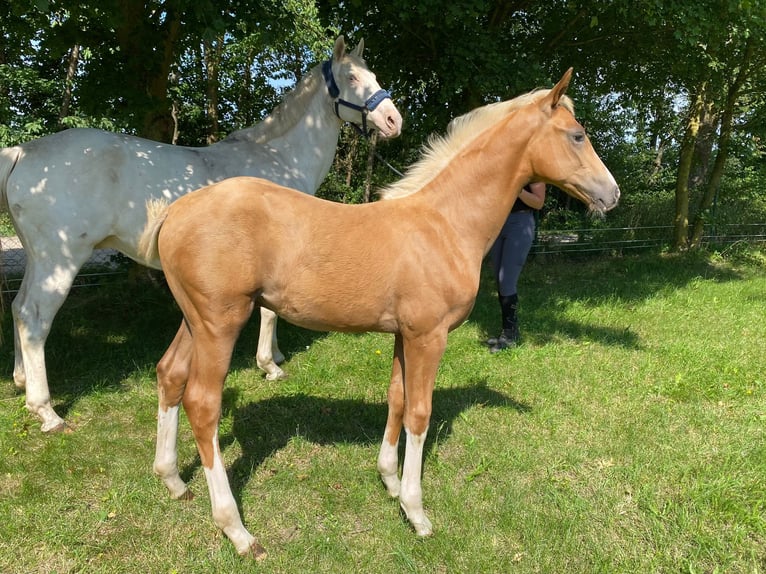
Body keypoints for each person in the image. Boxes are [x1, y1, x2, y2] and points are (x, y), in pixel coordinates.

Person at [486, 181, 546, 352]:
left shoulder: (532, 172)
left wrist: (517, 189)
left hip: (520, 223)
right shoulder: (502, 166)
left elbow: (539, 202)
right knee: (499, 277)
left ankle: (510, 334)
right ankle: (506, 331)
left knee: (507, 280)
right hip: (498, 221)